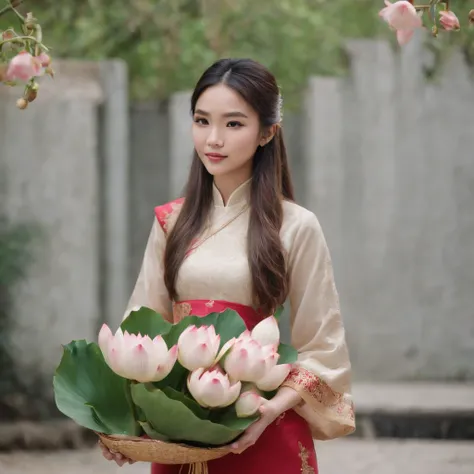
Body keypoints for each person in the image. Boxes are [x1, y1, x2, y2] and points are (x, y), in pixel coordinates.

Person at [99, 58, 355, 473]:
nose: (213, 139)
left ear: (267, 132)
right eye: (202, 121)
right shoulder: (171, 221)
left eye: (233, 124)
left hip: (260, 426)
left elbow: (324, 348)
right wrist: (121, 421)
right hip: (177, 435)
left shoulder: (296, 226)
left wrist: (270, 411)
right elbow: (139, 327)